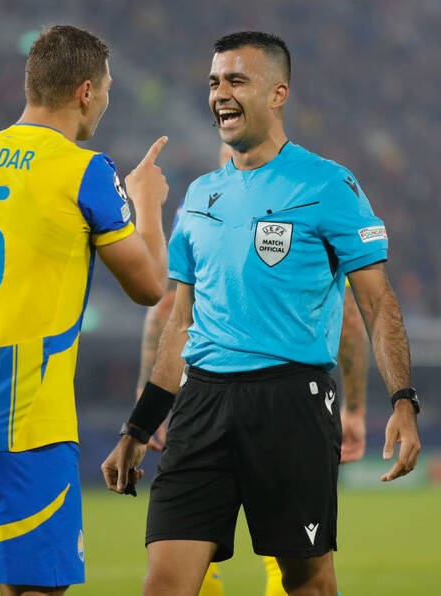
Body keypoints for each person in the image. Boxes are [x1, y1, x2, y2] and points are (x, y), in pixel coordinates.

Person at [102, 31, 420, 596]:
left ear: (278, 93)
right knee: (164, 583)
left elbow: (376, 303)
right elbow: (179, 323)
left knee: (307, 582)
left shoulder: (328, 184)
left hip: (290, 402)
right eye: (213, 82)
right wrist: (138, 427)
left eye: (236, 80)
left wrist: (402, 400)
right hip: (201, 404)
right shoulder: (199, 196)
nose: (219, 93)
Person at [0, 25, 169, 596]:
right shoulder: (83, 170)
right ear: (86, 91)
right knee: (32, 589)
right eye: (107, 89)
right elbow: (149, 287)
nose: (106, 102)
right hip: (23, 416)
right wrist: (146, 200)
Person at [134, 144, 370, 596]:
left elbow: (164, 309)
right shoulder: (287, 193)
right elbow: (350, 321)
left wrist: (149, 403)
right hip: (252, 397)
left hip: (213, 397)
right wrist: (355, 408)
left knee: (189, 565)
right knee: (290, 568)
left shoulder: (201, 203)